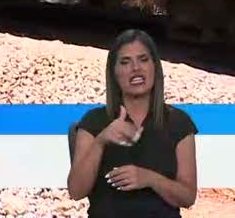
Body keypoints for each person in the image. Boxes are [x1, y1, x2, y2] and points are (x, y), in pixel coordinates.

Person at [67, 29, 198, 217]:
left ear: (155, 67)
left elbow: (188, 197)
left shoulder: (179, 122)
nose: (136, 68)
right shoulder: (94, 121)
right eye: (125, 62)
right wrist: (101, 141)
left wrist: (150, 179)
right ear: (114, 73)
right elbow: (76, 192)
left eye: (143, 59)